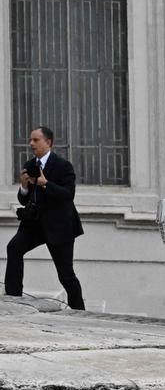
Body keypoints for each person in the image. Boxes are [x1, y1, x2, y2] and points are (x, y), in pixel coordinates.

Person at [5, 127, 85, 310]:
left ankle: (79, 310)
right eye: (30, 140)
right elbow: (25, 198)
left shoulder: (63, 166)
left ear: (48, 143)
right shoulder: (30, 165)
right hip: (34, 224)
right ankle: (13, 298)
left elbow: (68, 194)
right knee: (14, 248)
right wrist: (24, 187)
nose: (31, 144)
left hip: (59, 226)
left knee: (66, 275)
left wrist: (46, 184)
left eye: (35, 140)